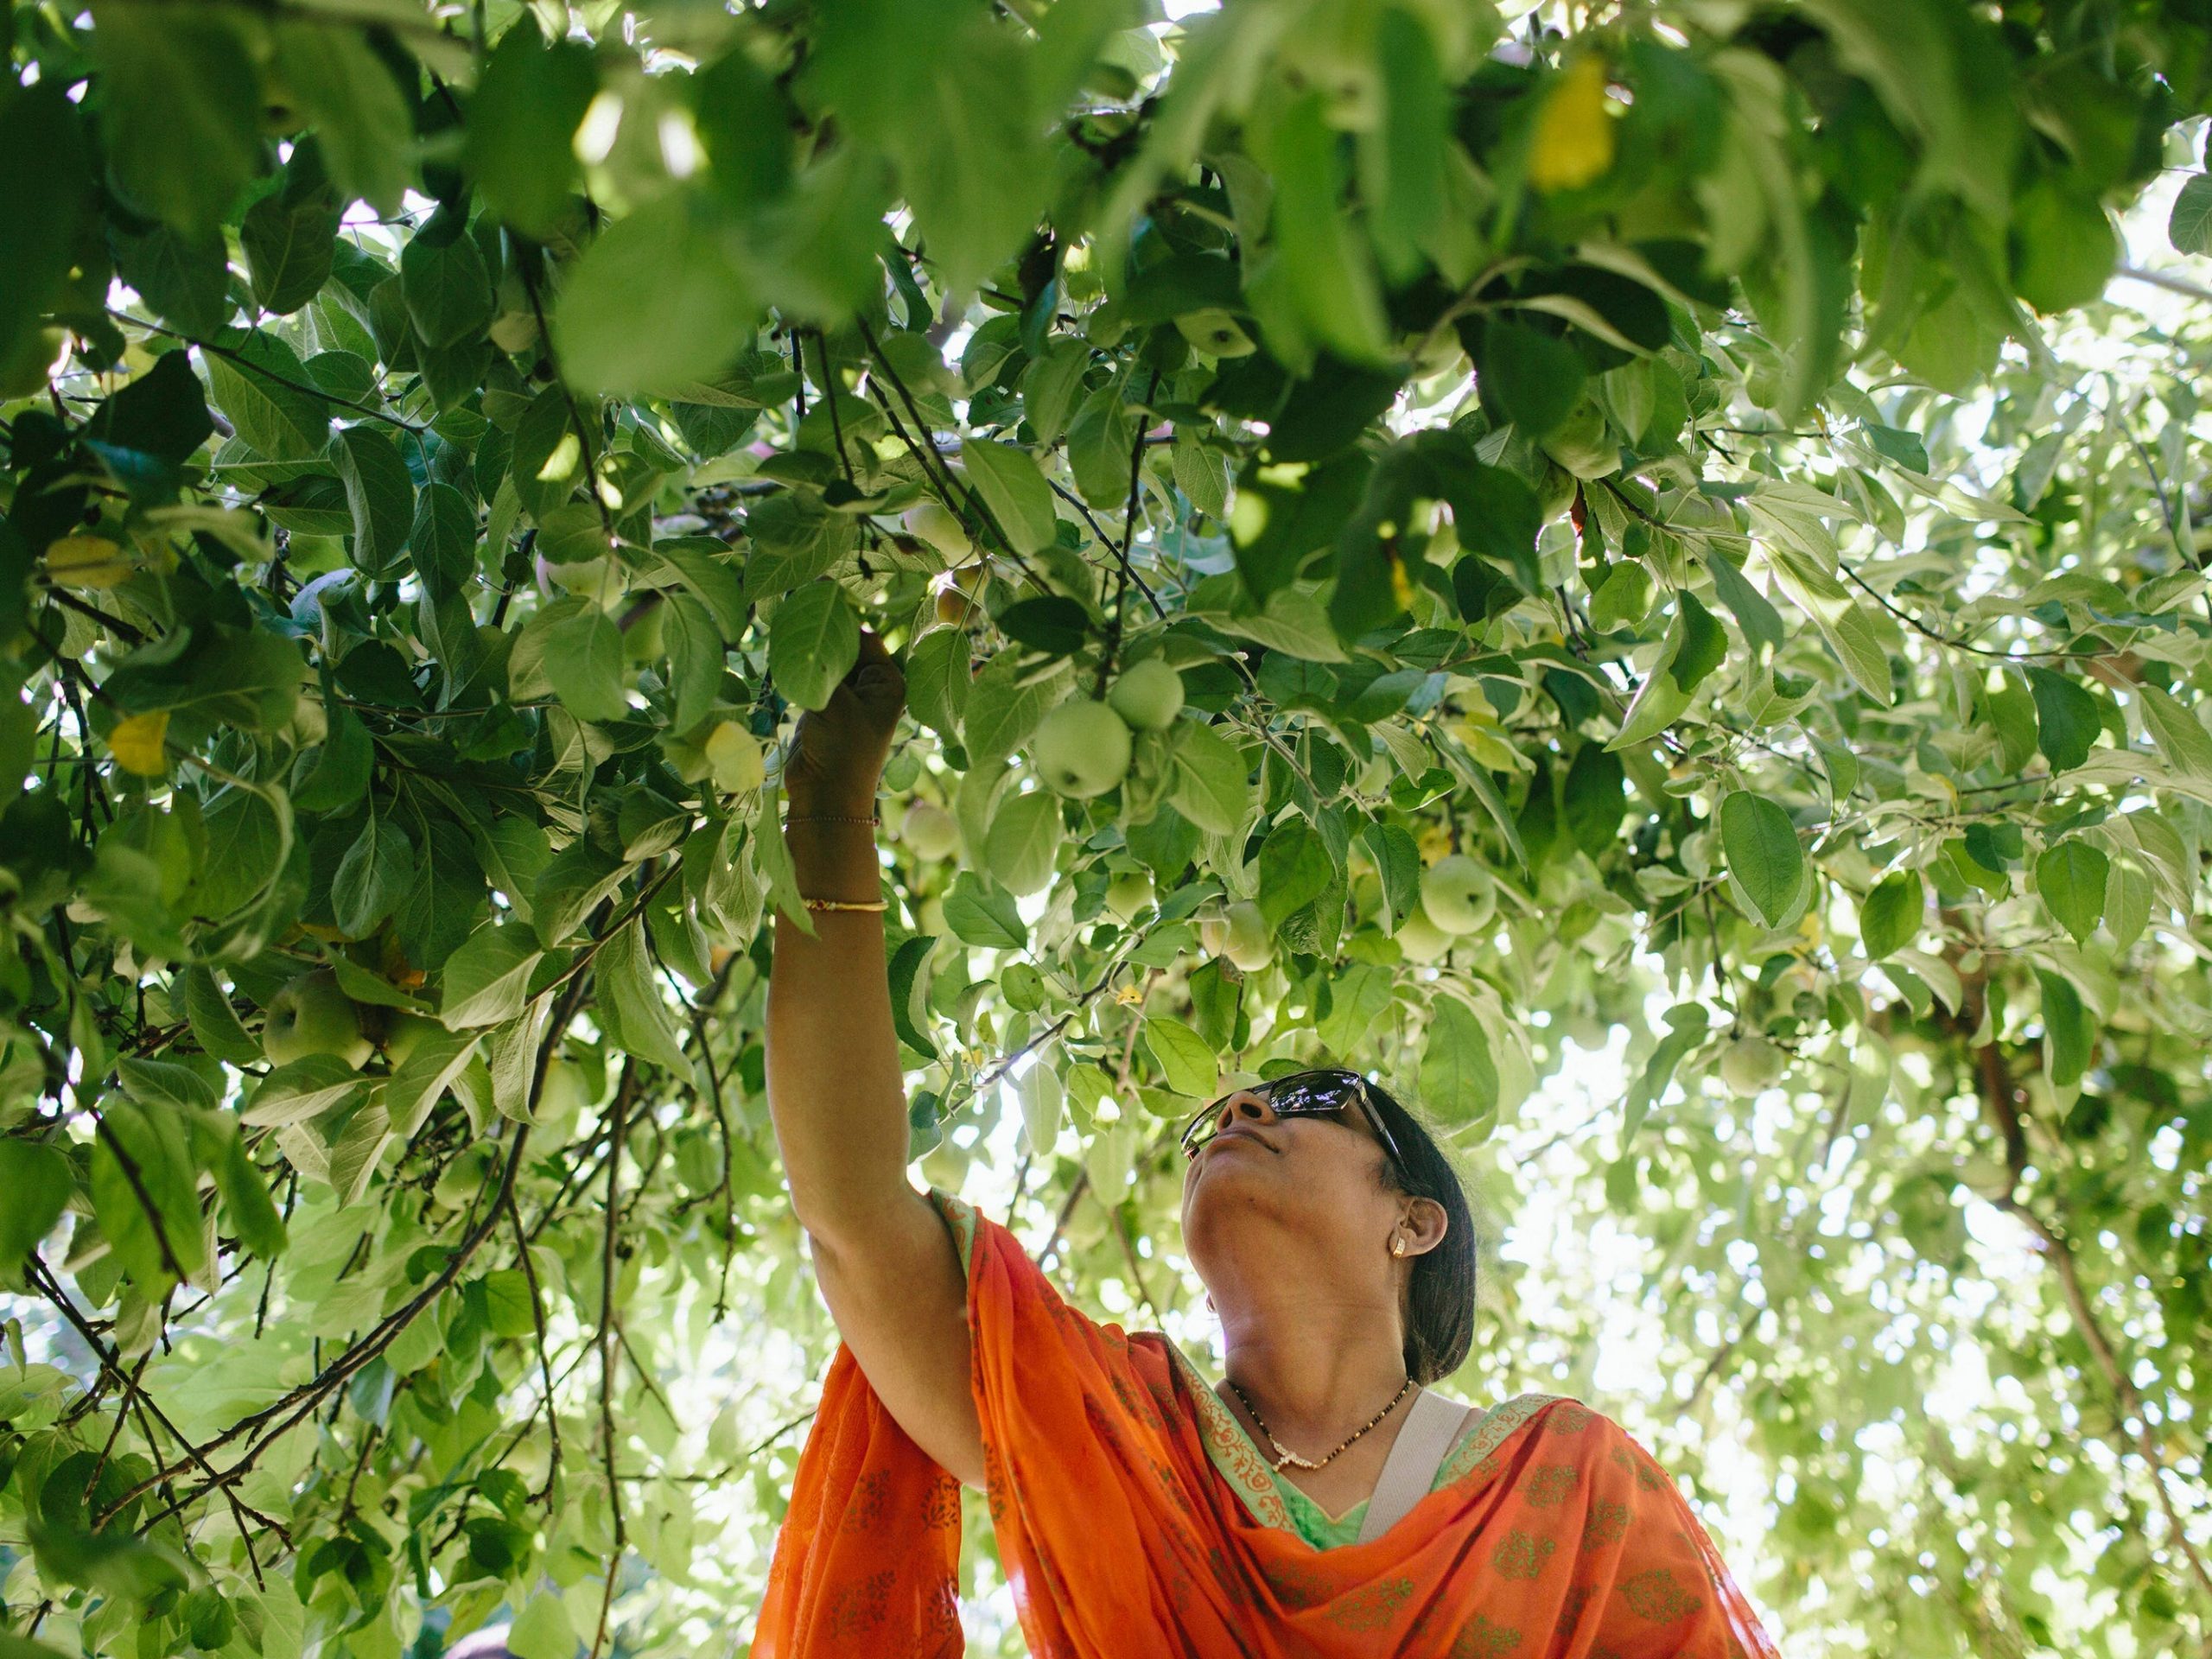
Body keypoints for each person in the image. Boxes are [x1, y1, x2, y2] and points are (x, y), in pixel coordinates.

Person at [753, 633, 1779, 1657]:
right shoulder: (1121, 1429)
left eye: (1313, 1100)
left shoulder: (1564, 1482)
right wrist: (831, 805)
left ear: (1414, 1221)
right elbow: (851, 1212)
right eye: (1213, 1122)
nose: (1239, 1113)